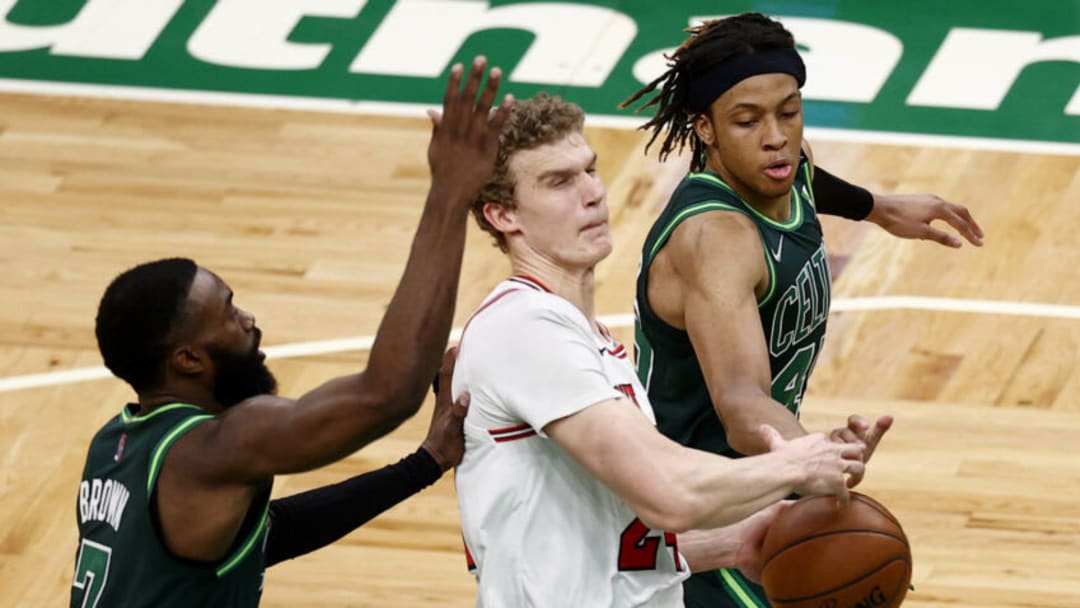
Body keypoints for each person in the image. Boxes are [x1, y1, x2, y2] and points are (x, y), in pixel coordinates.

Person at [70, 57, 512, 607]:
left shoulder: (117, 444)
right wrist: (449, 193)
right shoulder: (217, 445)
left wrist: (424, 464)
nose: (249, 321)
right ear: (187, 360)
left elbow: (263, 535)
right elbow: (385, 394)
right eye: (229, 314)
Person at [621, 13, 984, 607]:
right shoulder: (715, 240)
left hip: (763, 475)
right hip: (694, 503)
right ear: (705, 130)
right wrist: (812, 458)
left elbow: (807, 178)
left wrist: (880, 208)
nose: (776, 137)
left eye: (789, 111)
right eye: (747, 120)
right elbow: (741, 402)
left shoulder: (782, 166)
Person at [451, 93, 868, 607]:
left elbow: (611, 536)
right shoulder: (525, 329)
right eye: (559, 182)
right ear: (502, 215)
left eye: (590, 170)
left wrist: (736, 541)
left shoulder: (588, 339)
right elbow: (669, 493)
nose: (592, 194)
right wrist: (794, 467)